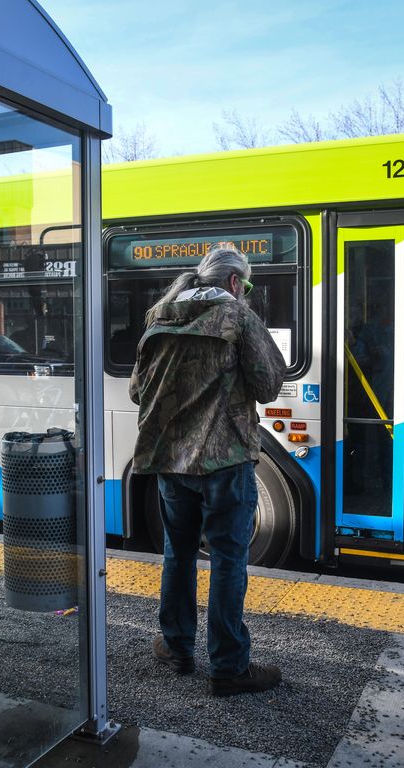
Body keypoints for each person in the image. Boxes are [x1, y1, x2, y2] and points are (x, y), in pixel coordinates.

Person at [129, 246, 285, 696]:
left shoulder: (159, 316)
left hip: (170, 462)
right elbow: (269, 385)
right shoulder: (237, 316)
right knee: (227, 561)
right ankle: (229, 666)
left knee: (178, 554)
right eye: (247, 286)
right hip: (226, 462)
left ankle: (177, 648)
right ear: (236, 283)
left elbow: (139, 392)